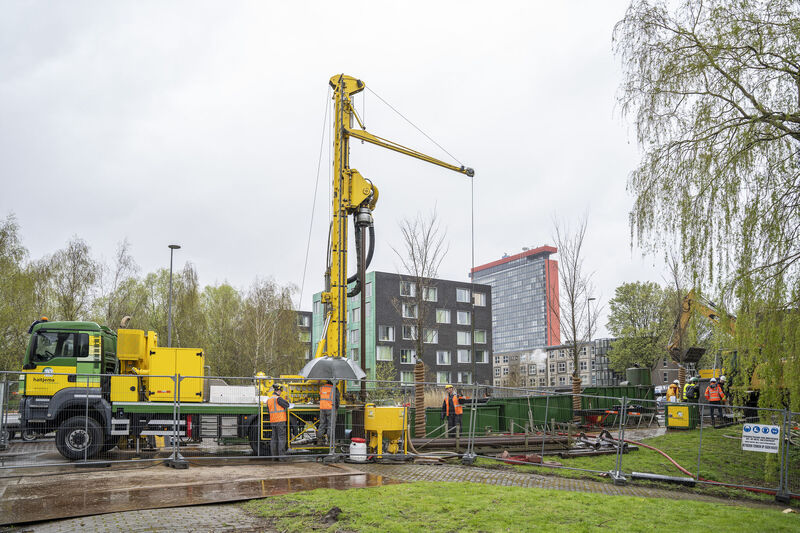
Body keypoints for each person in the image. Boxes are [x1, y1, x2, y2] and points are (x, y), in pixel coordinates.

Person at [267, 384, 291, 459]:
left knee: (274, 438)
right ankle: (282, 456)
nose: (281, 392)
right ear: (279, 391)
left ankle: (274, 456)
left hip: (273, 420)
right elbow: (287, 405)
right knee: (281, 438)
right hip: (280, 420)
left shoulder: (269, 399)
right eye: (281, 391)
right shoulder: (278, 399)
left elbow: (268, 411)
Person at [318, 380, 339, 444]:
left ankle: (319, 439)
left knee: (322, 424)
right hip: (330, 408)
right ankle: (330, 441)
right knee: (331, 425)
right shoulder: (334, 389)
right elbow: (337, 399)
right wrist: (336, 407)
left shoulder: (322, 388)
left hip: (322, 408)